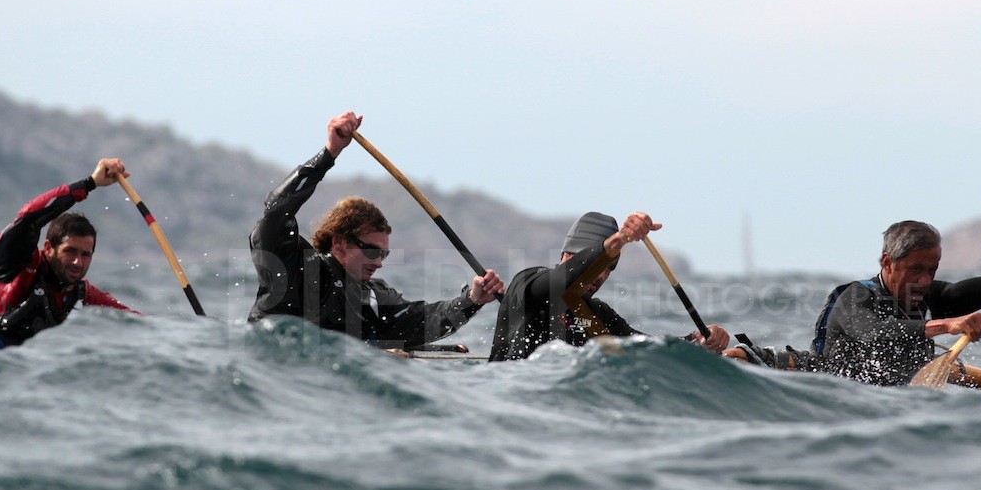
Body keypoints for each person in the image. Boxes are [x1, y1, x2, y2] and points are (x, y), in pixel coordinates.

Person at [728, 200, 981, 382]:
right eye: (915, 269)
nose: (925, 280)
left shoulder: (929, 298)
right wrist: (947, 326)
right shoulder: (855, 297)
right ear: (887, 263)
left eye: (932, 270)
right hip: (823, 390)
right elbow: (875, 334)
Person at [248, 111, 504, 348]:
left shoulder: (374, 298)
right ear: (339, 242)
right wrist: (330, 153)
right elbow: (276, 211)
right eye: (372, 251)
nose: (379, 263)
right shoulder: (296, 266)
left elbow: (422, 321)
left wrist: (472, 300)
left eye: (383, 255)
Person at [0, 158, 136, 356]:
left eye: (85, 255)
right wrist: (90, 183)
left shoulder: (81, 293)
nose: (77, 262)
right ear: (48, 248)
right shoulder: (15, 262)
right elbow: (29, 216)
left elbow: (136, 324)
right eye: (69, 251)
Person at [489, 210, 731, 361]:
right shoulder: (527, 284)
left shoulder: (597, 314)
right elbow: (559, 283)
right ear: (569, 256)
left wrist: (698, 341)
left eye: (610, 268)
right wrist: (617, 241)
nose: (602, 275)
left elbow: (647, 349)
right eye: (599, 264)